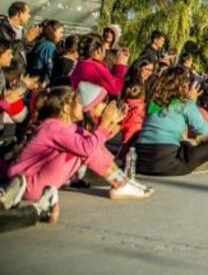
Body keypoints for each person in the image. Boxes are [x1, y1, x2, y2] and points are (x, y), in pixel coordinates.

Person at [9, 86, 153, 201]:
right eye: (78, 102)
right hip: (28, 185)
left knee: (86, 143)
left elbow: (92, 141)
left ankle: (122, 181)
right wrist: (104, 123)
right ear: (66, 108)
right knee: (86, 148)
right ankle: (121, 183)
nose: (81, 105)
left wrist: (110, 124)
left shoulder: (67, 127)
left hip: (35, 184)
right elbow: (87, 148)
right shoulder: (52, 127)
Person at [136, 67, 208, 175]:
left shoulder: (152, 102)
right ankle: (196, 164)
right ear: (182, 85)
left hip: (141, 159)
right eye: (187, 82)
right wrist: (191, 102)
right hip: (165, 163)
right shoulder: (184, 105)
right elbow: (204, 130)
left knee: (185, 144)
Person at [0, 2, 40, 71]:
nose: (29, 16)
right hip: (8, 71)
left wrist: (31, 39)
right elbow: (8, 49)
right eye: (28, 13)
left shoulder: (21, 29)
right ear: (19, 14)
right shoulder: (3, 27)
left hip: (19, 70)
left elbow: (25, 49)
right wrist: (26, 39)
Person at [27, 19, 62, 84]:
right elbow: (49, 68)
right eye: (60, 32)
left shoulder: (41, 42)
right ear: (53, 32)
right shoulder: (49, 46)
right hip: (40, 81)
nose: (61, 35)